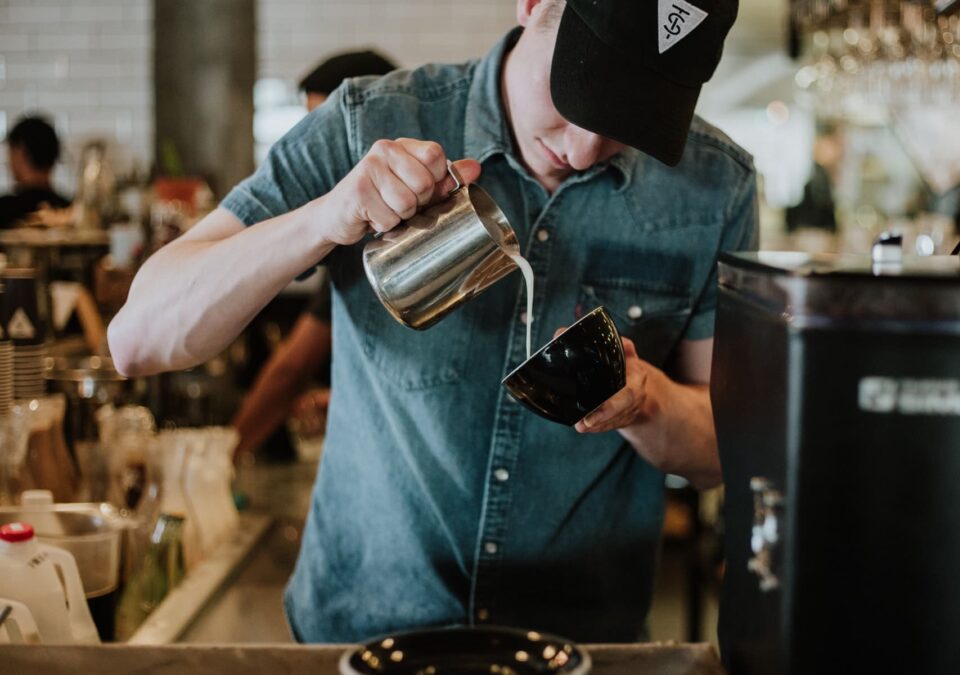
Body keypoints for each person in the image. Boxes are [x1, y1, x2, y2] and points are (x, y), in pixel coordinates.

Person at [109, 0, 756, 644]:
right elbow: (137, 338)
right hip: (360, 639)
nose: (584, 148)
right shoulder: (368, 122)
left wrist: (646, 400)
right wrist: (324, 218)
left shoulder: (712, 187)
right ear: (532, 5)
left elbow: (719, 453)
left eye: (628, 118)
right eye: (576, 90)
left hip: (580, 647)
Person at [231, 50, 398, 461]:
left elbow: (291, 370)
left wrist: (221, 458)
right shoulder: (356, 220)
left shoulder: (384, 230)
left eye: (329, 130)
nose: (320, 150)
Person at [0, 115, 70, 228]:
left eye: (11, 152)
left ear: (20, 152)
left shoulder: (5, 210)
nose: (8, 162)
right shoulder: (71, 211)